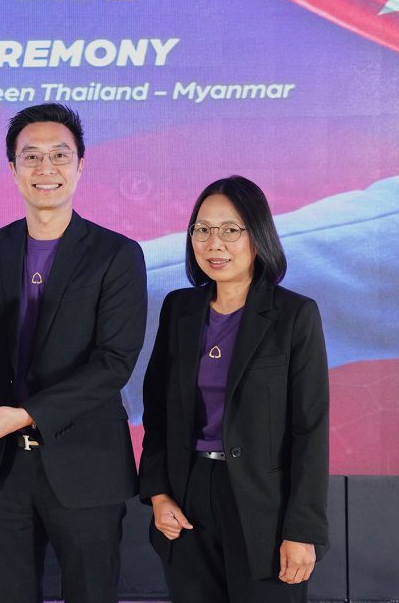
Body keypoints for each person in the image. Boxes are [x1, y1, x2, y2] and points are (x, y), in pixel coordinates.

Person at [0, 103, 148, 603]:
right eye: (31, 156)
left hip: (86, 465)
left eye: (60, 155)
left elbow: (114, 362)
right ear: (13, 168)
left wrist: (26, 414)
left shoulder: (117, 254)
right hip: (3, 468)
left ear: (81, 165)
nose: (46, 168)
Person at [139, 175, 330, 602]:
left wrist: (302, 529)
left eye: (230, 230)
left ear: (258, 237)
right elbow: (158, 410)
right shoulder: (179, 308)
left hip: (264, 506)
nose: (214, 244)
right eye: (202, 229)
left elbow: (310, 429)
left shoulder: (294, 315)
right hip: (188, 497)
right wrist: (158, 493)